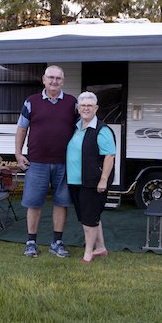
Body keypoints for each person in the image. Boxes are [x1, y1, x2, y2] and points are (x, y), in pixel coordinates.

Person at [15, 65, 78, 258]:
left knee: (62, 203)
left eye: (58, 78)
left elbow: (80, 130)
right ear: (43, 79)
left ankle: (56, 243)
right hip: (37, 162)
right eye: (50, 77)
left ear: (63, 81)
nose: (54, 81)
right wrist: (18, 153)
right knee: (34, 203)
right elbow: (21, 129)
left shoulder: (72, 103)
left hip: (64, 162)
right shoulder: (31, 102)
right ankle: (31, 242)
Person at [65, 91, 116, 263]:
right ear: (78, 108)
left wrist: (103, 180)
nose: (86, 108)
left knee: (89, 219)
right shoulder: (76, 126)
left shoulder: (102, 130)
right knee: (90, 216)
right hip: (74, 180)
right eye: (83, 105)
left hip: (91, 182)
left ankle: (88, 253)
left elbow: (110, 156)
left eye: (90, 105)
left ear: (96, 108)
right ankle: (101, 248)